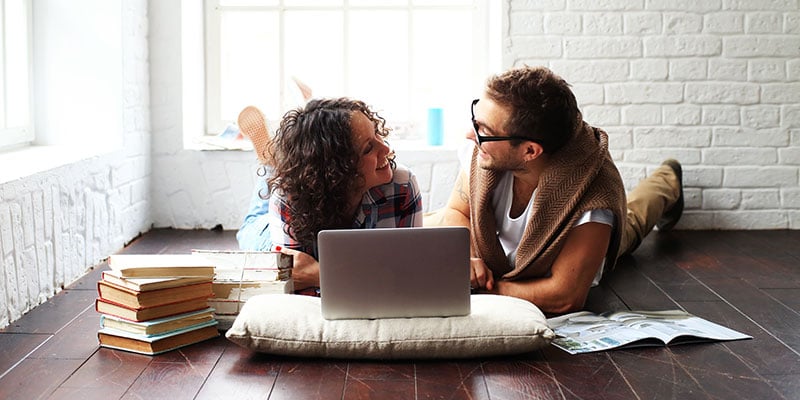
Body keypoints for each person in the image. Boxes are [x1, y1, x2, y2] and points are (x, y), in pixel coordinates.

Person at [424, 66, 684, 314]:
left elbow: (565, 296)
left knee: (632, 221)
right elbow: (458, 209)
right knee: (415, 228)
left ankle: (667, 180)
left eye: (483, 130)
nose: (470, 134)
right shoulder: (487, 149)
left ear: (529, 151)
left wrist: (484, 290)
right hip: (502, 249)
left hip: (571, 241)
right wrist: (468, 259)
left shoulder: (593, 197)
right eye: (475, 119)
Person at [236, 98, 424, 295]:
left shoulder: (402, 185)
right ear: (337, 169)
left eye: (377, 134)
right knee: (250, 231)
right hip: (271, 229)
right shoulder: (287, 198)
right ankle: (269, 160)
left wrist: (319, 274)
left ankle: (277, 156)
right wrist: (366, 279)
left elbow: (408, 278)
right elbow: (296, 290)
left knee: (286, 171)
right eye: (368, 148)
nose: (386, 149)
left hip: (308, 178)